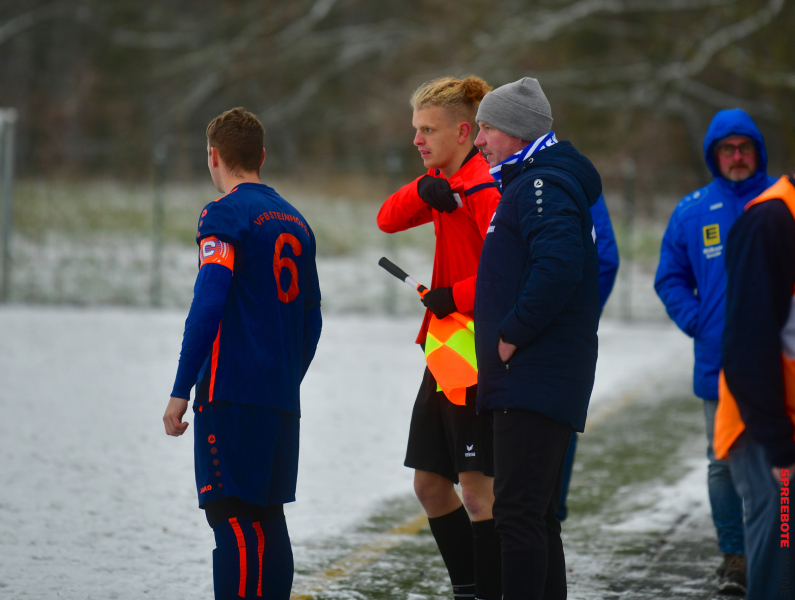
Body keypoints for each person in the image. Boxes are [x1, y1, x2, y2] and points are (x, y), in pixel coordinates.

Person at [162, 107, 322, 600]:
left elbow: (208, 301)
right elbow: (312, 320)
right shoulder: (296, 220)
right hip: (279, 398)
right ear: (262, 156)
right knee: (267, 520)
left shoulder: (224, 213)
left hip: (230, 394)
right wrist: (285, 380)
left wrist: (180, 389)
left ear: (214, 156)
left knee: (230, 518)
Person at [473, 77, 601, 600]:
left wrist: (511, 334)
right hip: (538, 376)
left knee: (519, 517)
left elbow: (559, 265)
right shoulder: (533, 180)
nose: (478, 140)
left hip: (532, 375)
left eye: (484, 128)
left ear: (516, 131)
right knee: (538, 516)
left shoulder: (540, 184)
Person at [377, 76, 503, 600]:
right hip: (447, 353)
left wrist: (457, 296)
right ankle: (468, 589)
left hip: (480, 353)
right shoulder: (444, 180)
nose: (418, 140)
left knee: (479, 493)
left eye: (428, 130)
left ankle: (491, 592)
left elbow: (509, 272)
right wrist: (425, 186)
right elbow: (388, 218)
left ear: (464, 131)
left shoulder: (486, 184)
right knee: (430, 486)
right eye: (416, 129)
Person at [654, 108, 776, 594]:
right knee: (722, 460)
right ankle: (736, 557)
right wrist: (698, 320)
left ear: (758, 151)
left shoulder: (781, 205)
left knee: (778, 460)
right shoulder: (692, 210)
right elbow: (670, 277)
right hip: (719, 360)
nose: (737, 157)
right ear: (713, 155)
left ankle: (779, 554)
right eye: (727, 149)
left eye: (744, 147)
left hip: (778, 363)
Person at [715, 173, 795, 599]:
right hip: (769, 433)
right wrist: (780, 447)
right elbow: (747, 348)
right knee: (782, 571)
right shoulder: (771, 221)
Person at [557, 194, 619, 522]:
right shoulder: (486, 170)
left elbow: (605, 257)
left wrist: (579, 315)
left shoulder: (573, 178)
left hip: (546, 336)